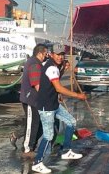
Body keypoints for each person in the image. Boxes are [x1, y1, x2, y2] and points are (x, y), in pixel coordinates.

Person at [32, 46, 87, 174]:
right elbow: (58, 88)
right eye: (58, 54)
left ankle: (67, 151)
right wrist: (78, 95)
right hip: (46, 107)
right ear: (51, 54)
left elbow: (53, 82)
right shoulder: (51, 68)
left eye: (62, 54)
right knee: (48, 135)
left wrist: (63, 68)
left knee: (71, 122)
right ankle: (37, 163)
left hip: (54, 104)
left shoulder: (53, 66)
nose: (60, 57)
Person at [10, 44, 48, 157]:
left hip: (33, 98)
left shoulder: (34, 62)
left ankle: (19, 137)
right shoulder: (35, 64)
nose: (46, 56)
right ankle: (27, 149)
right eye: (45, 54)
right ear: (40, 53)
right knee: (33, 124)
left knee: (35, 123)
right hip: (31, 99)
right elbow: (36, 84)